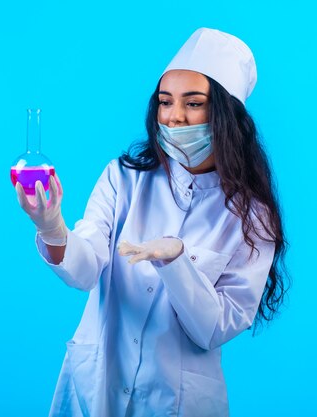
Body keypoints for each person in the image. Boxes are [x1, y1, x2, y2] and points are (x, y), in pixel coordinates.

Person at [15, 28, 289, 417]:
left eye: (193, 103)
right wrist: (52, 228)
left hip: (179, 401)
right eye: (165, 102)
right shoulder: (123, 178)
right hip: (97, 386)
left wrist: (177, 261)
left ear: (227, 115)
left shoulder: (252, 218)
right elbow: (85, 270)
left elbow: (213, 329)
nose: (174, 117)